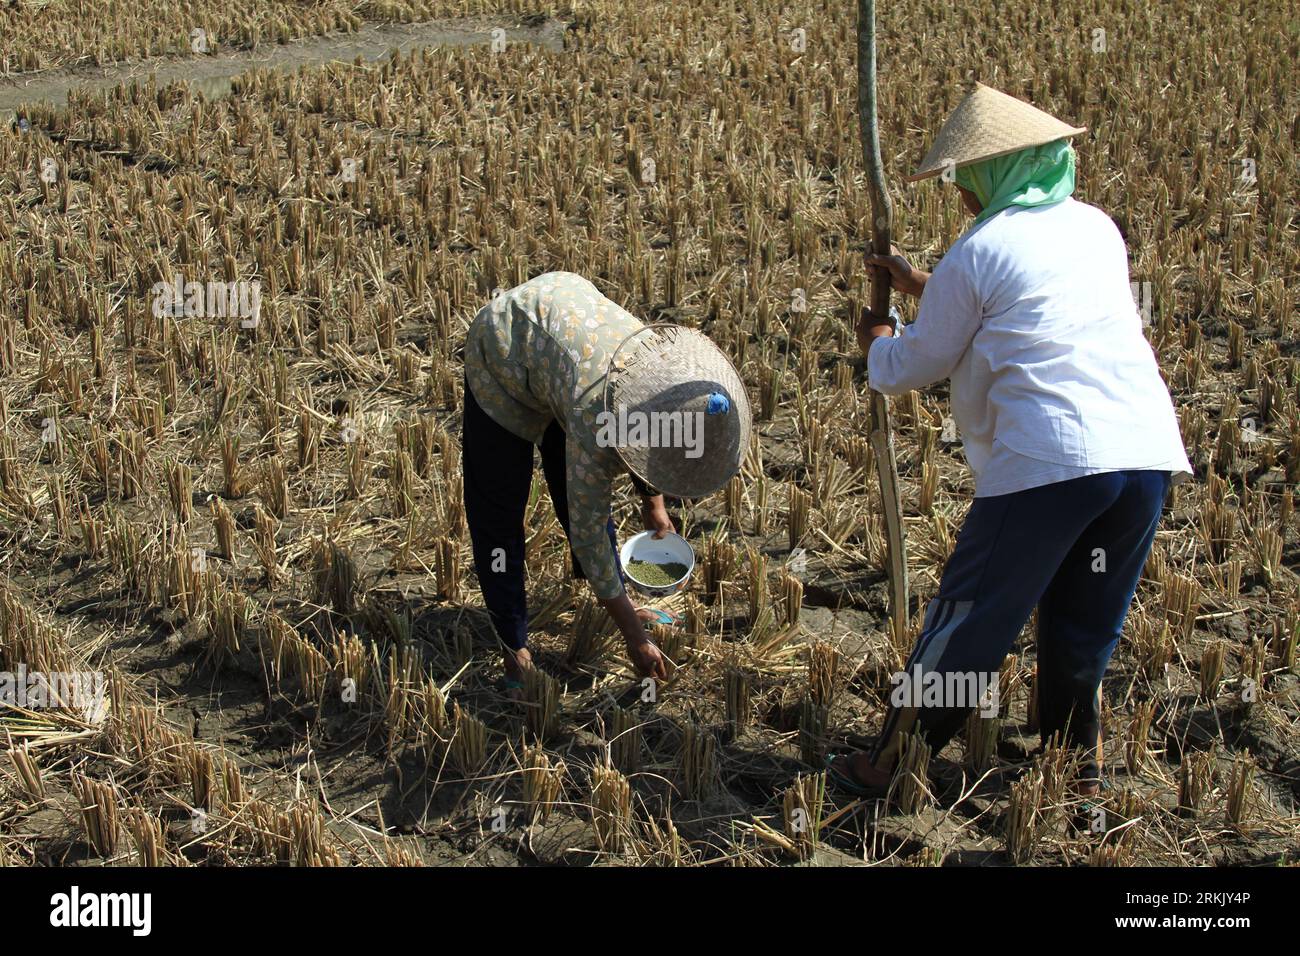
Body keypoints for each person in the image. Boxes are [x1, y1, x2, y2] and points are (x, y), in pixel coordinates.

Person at [830, 84, 1192, 800]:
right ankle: (1075, 772)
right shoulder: (1096, 228)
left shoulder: (980, 248)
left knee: (972, 618)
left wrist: (877, 342)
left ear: (1000, 173)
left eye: (970, 176)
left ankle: (893, 758)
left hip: (1048, 461)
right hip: (1144, 455)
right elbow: (1033, 299)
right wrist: (923, 283)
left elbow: (917, 363)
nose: (962, 191)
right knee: (1084, 625)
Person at [462, 271, 750, 693]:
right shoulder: (599, 421)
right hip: (504, 346)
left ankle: (612, 600)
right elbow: (589, 529)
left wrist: (654, 503)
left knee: (569, 480)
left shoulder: (665, 372)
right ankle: (513, 645)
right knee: (499, 510)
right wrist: (635, 638)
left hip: (566, 345)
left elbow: (656, 441)